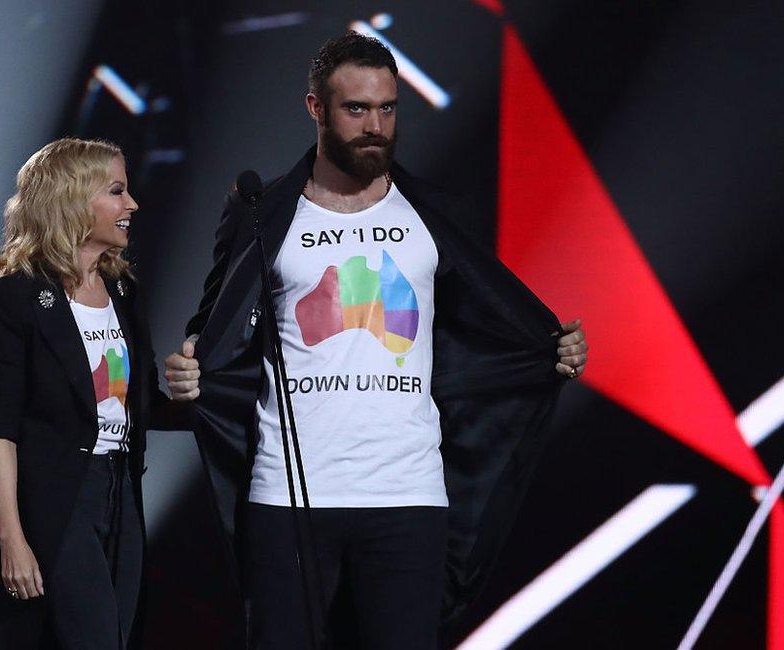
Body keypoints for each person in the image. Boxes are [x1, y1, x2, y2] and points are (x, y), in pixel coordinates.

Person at [165, 33, 587, 649]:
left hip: (407, 494)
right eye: (356, 109)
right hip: (288, 496)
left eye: (387, 108)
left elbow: (487, 330)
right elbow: (214, 327)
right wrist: (188, 369)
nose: (375, 126)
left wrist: (547, 352)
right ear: (316, 110)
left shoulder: (433, 216)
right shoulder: (265, 212)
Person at [0, 138, 190, 649]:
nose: (131, 205)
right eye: (116, 191)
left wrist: (207, 402)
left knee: (116, 635)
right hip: (59, 501)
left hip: (122, 495)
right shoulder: (15, 297)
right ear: (72, 200)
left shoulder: (122, 291)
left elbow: (139, 406)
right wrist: (12, 539)